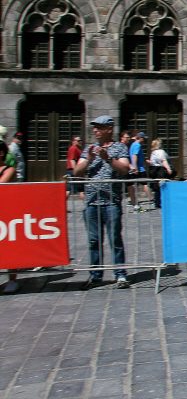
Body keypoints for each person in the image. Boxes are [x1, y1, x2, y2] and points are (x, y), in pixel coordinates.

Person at [72, 115, 131, 289]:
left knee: (115, 239)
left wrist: (108, 159)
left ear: (109, 129)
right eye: (94, 127)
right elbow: (77, 171)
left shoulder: (119, 148)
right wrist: (89, 159)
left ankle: (120, 275)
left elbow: (125, 169)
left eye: (99, 127)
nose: (95, 130)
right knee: (93, 240)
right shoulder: (88, 149)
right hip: (92, 202)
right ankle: (96, 275)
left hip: (111, 201)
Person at [0, 141, 19, 293]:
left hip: (6, 213)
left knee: (9, 245)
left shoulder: (9, 169)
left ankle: (12, 279)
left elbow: (2, 184)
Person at [147, 138, 173, 210]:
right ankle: (163, 202)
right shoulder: (161, 152)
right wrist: (168, 168)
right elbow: (163, 161)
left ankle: (157, 202)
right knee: (163, 186)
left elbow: (153, 162)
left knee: (156, 188)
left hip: (154, 170)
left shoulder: (153, 152)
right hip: (160, 171)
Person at [128, 131, 149, 210]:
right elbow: (134, 156)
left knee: (133, 186)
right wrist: (135, 167)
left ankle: (134, 203)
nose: (144, 140)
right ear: (140, 138)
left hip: (136, 168)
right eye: (143, 139)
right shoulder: (137, 145)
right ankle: (151, 199)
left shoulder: (133, 144)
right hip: (139, 169)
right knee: (145, 184)